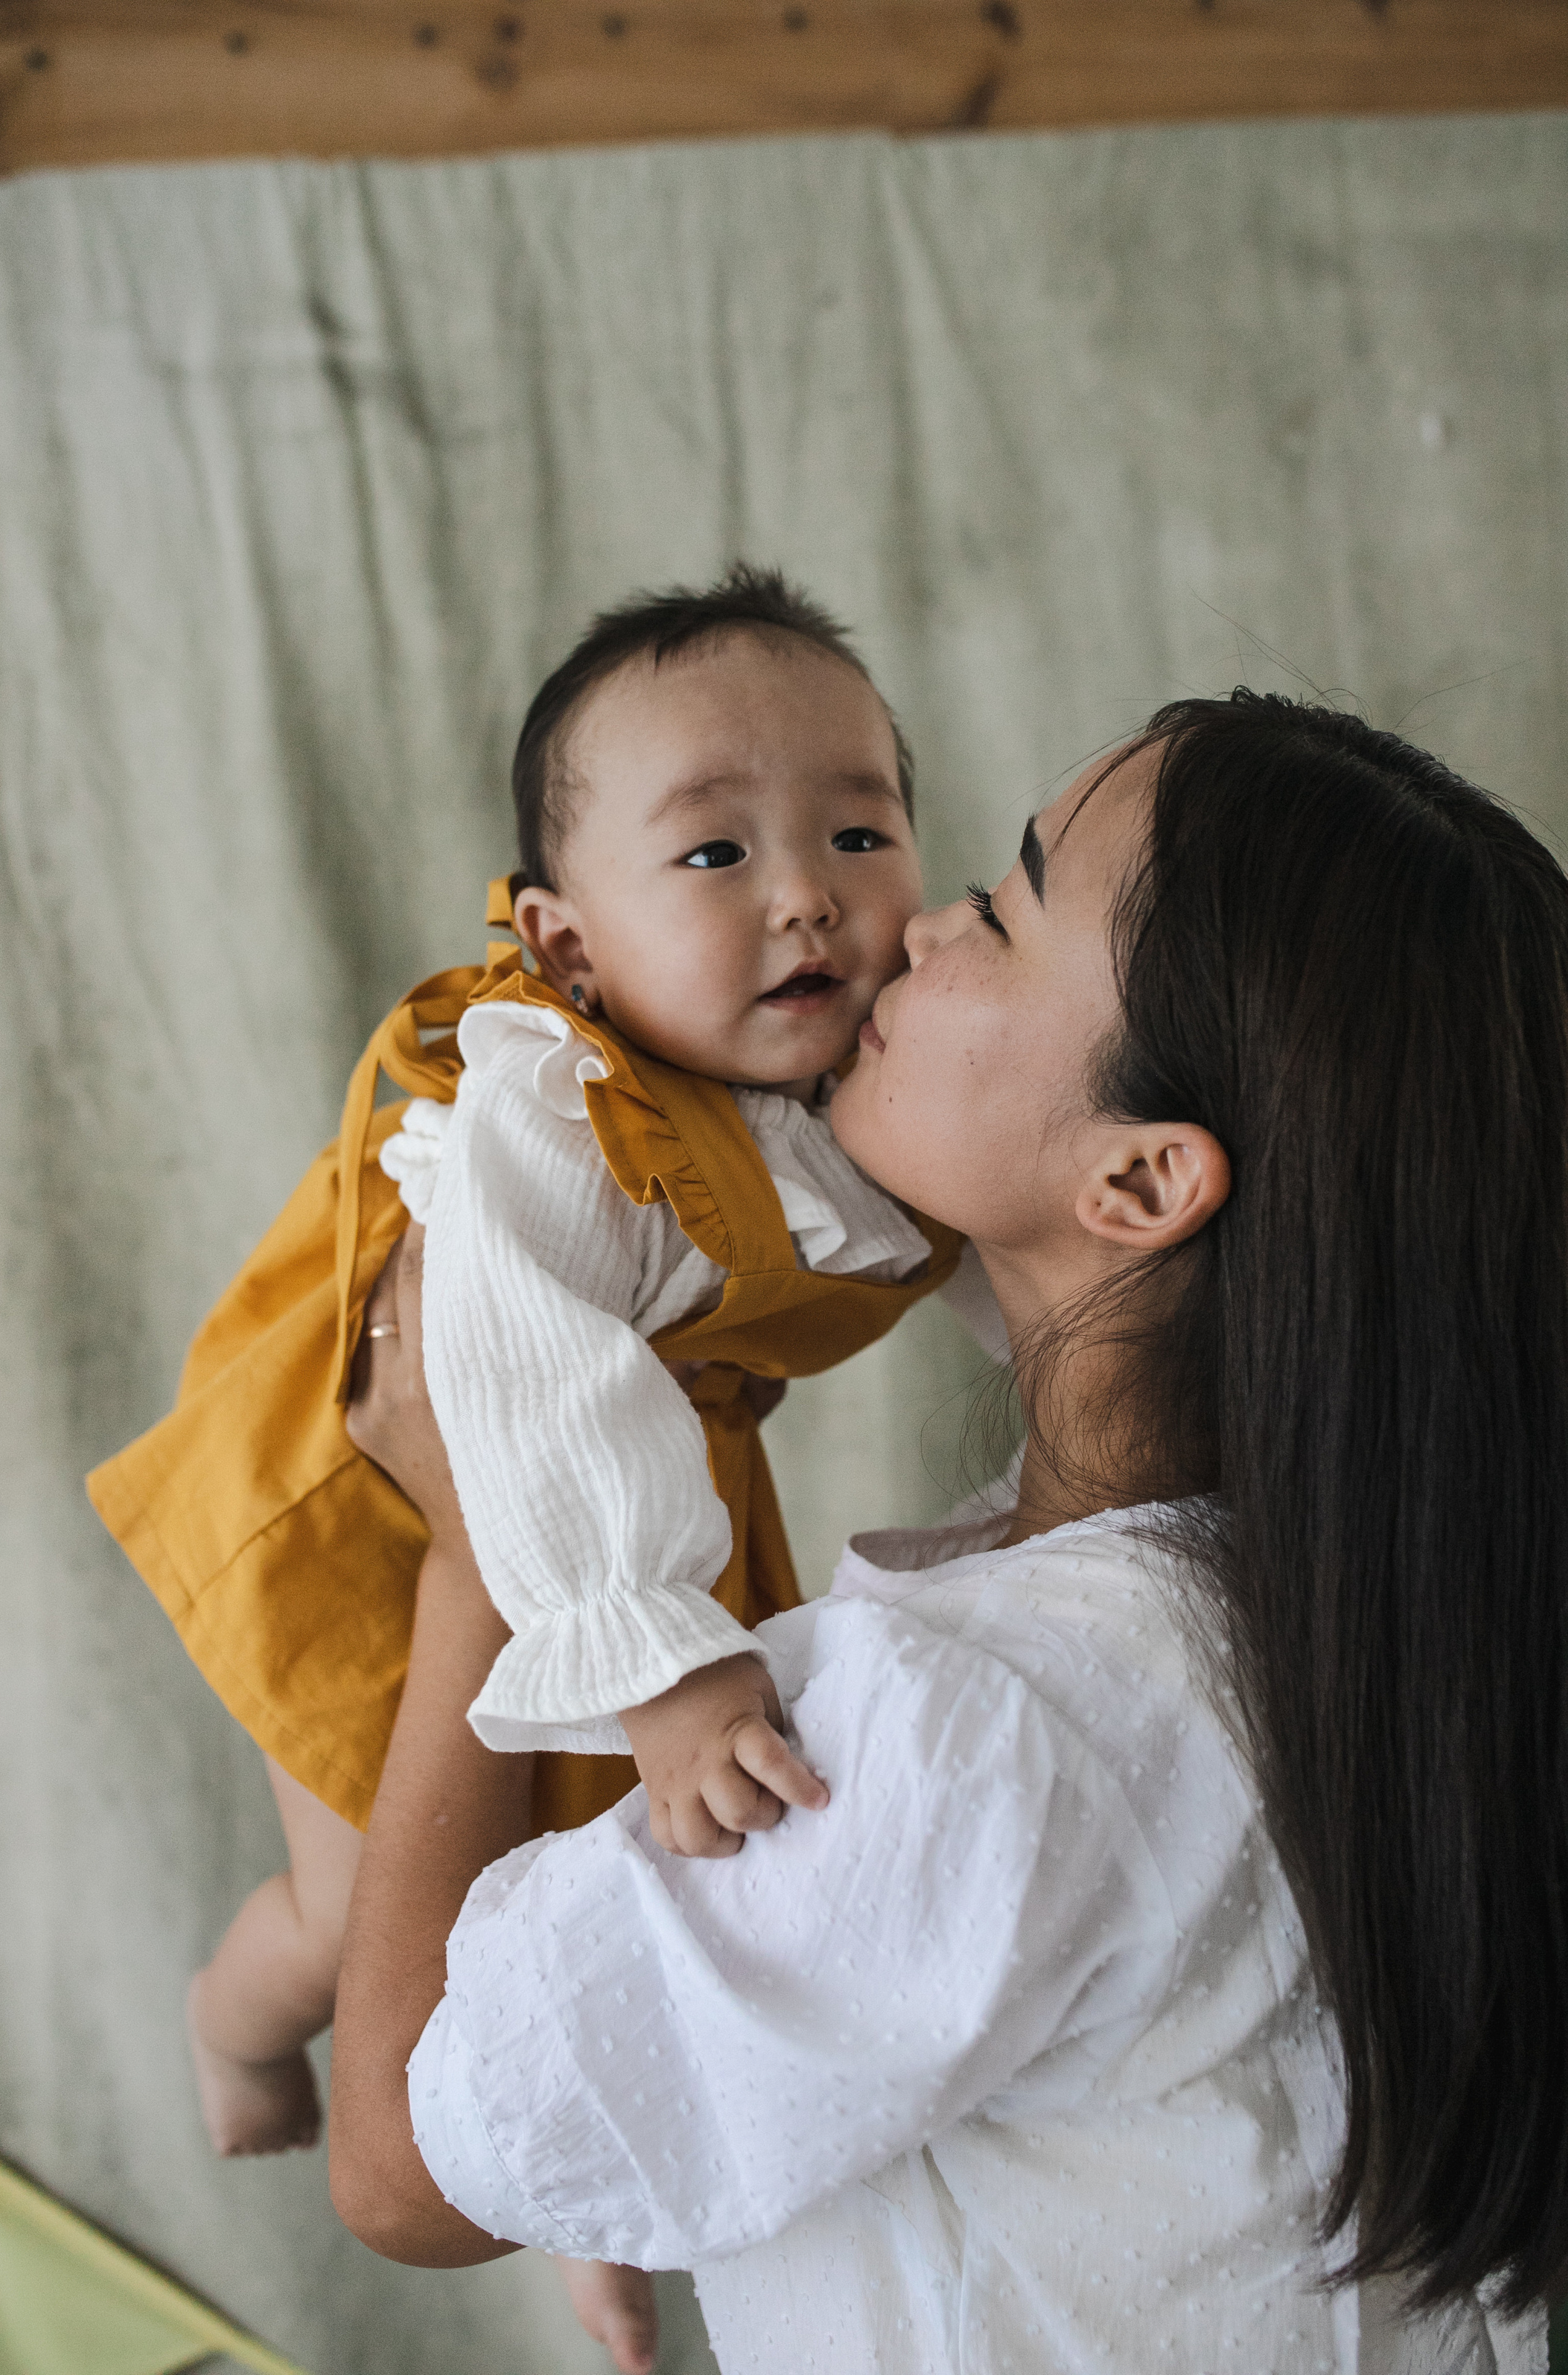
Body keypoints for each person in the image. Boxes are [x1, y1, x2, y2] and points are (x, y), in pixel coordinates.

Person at [328, 693, 1568, 2372]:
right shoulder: (1386, 1627)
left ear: (1137, 1187)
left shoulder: (976, 1737)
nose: (909, 926)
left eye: (1005, 907)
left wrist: (483, 1551)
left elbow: (408, 2171)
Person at [90, 564, 997, 2373]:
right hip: (399, 1505)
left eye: (857, 828)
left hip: (629, 1494)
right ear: (570, 945)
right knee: (389, 1913)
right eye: (715, 855)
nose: (809, 893)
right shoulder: (549, 1111)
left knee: (614, 1890)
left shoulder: (843, 1081)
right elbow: (506, 1377)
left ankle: (600, 2224)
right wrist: (657, 1662)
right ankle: (239, 2013)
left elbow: (987, 1243)